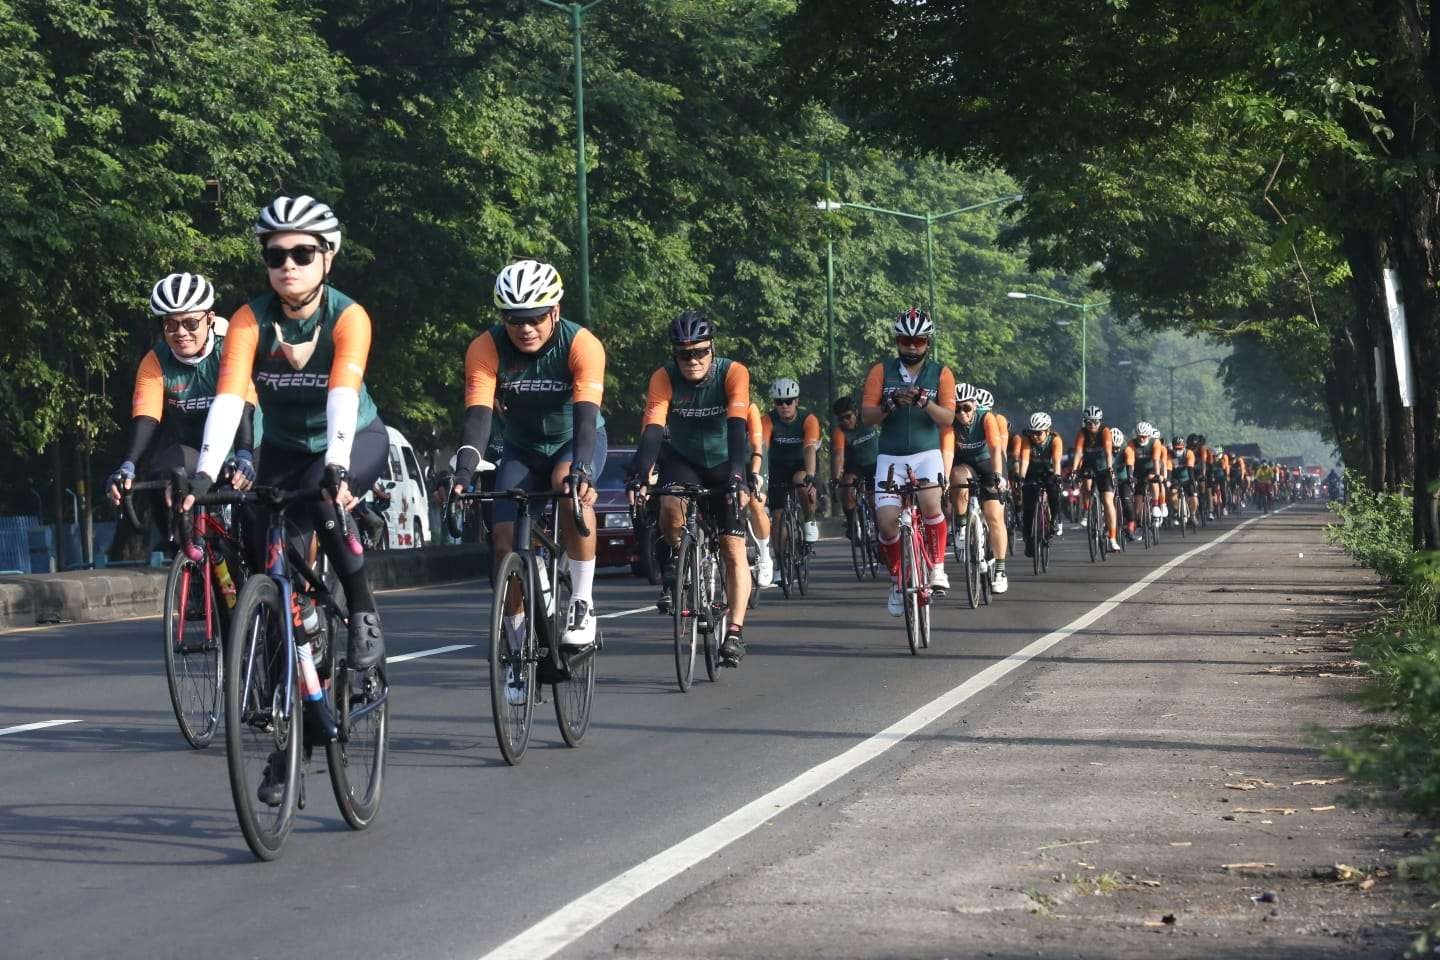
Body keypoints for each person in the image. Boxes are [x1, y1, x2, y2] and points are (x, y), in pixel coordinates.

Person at [187, 196, 390, 803]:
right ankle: (287, 741)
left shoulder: (347, 316)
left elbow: (343, 396)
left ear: (326, 257)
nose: (288, 266)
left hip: (349, 437)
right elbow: (228, 399)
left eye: (303, 254)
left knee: (325, 504)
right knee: (268, 576)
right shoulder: (248, 319)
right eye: (276, 256)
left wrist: (334, 463)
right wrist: (204, 473)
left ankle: (361, 610)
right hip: (278, 447)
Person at [452, 259, 606, 706]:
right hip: (520, 448)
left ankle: (581, 600)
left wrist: (581, 470)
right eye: (514, 319)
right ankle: (518, 649)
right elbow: (479, 417)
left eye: (536, 317)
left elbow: (585, 418)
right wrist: (463, 473)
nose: (526, 328)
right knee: (503, 542)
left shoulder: (582, 344)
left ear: (555, 312)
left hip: (574, 439)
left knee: (567, 486)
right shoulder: (485, 347)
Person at [632, 309, 752, 665]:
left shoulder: (732, 372)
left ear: (712, 348)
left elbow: (736, 425)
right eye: (684, 353)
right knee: (669, 507)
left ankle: (734, 632)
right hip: (684, 460)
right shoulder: (664, 378)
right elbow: (653, 428)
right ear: (674, 354)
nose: (693, 360)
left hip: (724, 459)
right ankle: (680, 559)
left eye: (700, 351)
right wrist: (640, 472)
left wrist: (738, 475)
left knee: (732, 548)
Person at [108, 274, 258, 539]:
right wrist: (127, 465)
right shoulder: (155, 362)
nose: (181, 333)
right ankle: (183, 552)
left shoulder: (231, 348)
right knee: (163, 472)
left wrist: (244, 454)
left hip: (248, 442)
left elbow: (243, 406)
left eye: (190, 323)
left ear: (210, 318)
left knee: (257, 524)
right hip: (196, 450)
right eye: (171, 325)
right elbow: (146, 418)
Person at [860, 308, 957, 614]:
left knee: (930, 503)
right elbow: (866, 416)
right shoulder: (881, 371)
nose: (912, 346)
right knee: (887, 524)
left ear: (927, 342)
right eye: (905, 339)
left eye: (918, 340)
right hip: (890, 456)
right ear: (897, 341)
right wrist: (890, 403)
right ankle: (898, 578)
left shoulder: (941, 373)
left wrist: (923, 401)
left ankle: (937, 567)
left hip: (927, 454)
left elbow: (948, 417)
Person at [945, 382, 1009, 593]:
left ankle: (1000, 570)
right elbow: (948, 452)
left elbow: (994, 447)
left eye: (966, 408)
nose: (961, 413)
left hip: (989, 463)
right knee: (955, 476)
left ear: (975, 405)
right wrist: (945, 479)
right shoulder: (950, 423)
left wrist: (998, 476)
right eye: (957, 409)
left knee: (994, 516)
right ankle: (962, 526)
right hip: (965, 465)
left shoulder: (986, 418)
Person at [761, 378, 822, 547]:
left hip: (802, 462)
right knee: (778, 519)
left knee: (802, 481)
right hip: (777, 467)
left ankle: (809, 520)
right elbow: (762, 448)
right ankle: (781, 567)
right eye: (779, 402)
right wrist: (757, 475)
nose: (784, 406)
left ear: (797, 402)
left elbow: (809, 448)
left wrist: (810, 475)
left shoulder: (808, 419)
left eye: (788, 401)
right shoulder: (767, 419)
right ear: (774, 403)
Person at [1070, 405, 1120, 551]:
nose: (1093, 425)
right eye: (1089, 422)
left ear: (1100, 422)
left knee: (1108, 501)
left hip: (1104, 467)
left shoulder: (1105, 431)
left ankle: (1112, 537)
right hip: (1088, 466)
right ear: (1085, 422)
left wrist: (1110, 468)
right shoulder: (1082, 433)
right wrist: (1074, 470)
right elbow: (1078, 453)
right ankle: (1087, 511)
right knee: (1086, 484)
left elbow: (1108, 452)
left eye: (1096, 422)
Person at [1016, 412, 1064, 558]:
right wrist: (1021, 478)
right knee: (1029, 505)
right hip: (1032, 472)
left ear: (1047, 431)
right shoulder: (1027, 440)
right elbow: (1024, 460)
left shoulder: (1055, 440)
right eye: (1032, 432)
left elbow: (1056, 460)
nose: (1035, 436)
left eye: (1038, 433)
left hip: (1049, 472)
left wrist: (1057, 476)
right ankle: (1028, 538)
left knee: (1053, 489)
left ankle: (1055, 518)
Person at [831, 395, 879, 538]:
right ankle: (851, 523)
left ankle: (880, 529)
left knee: (873, 500)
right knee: (848, 486)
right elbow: (839, 456)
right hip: (855, 465)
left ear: (856, 412)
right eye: (841, 419)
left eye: (848, 416)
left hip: (876, 463)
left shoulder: (868, 421)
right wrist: (836, 477)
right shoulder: (840, 432)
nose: (845, 421)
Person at [746, 399, 774, 586]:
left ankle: (764, 554)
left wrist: (755, 473)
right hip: (723, 454)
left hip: (751, 453)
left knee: (755, 503)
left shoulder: (749, 407)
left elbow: (757, 445)